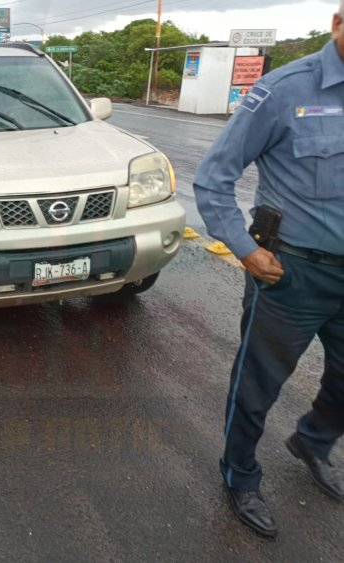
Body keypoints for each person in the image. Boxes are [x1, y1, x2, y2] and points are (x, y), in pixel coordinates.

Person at [193, 4, 344, 538]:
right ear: (337, 23)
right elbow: (212, 180)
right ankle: (239, 474)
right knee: (256, 386)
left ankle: (314, 439)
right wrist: (245, 249)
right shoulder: (283, 90)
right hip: (292, 275)